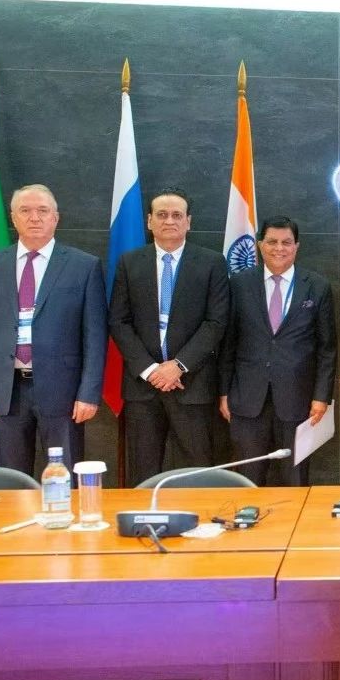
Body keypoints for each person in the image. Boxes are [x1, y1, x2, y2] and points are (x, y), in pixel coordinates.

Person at [0, 184, 107, 474]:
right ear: (13, 218)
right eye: (25, 210)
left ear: (56, 218)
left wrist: (89, 392)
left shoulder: (84, 266)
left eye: (43, 210)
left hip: (64, 392)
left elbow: (95, 336)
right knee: (11, 480)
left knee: (66, 477)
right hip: (5, 392)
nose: (34, 217)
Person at [108, 189, 229, 481]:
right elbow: (119, 321)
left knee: (197, 473)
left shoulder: (211, 263)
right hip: (143, 387)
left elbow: (216, 322)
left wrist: (178, 366)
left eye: (177, 215)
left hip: (192, 384)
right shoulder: (129, 262)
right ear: (149, 221)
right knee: (143, 473)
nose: (169, 221)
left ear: (188, 222)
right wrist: (150, 370)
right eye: (162, 215)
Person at [218, 216, 336, 486]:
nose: (279, 248)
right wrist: (224, 392)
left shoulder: (317, 286)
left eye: (286, 242)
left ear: (296, 246)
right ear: (260, 245)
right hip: (247, 398)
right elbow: (227, 343)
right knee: (249, 480)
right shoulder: (238, 284)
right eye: (272, 242)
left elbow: (327, 349)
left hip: (299, 400)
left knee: (295, 480)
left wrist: (321, 397)